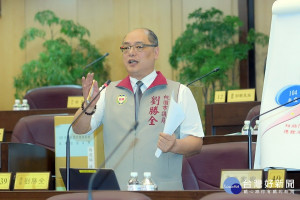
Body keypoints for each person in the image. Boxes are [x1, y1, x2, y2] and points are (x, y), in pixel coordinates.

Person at [72, 28, 204, 190]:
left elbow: (196, 142)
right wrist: (88, 106)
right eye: (126, 48)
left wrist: (175, 145)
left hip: (164, 192)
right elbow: (79, 129)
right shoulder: (107, 92)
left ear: (156, 52)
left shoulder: (179, 92)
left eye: (139, 47)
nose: (131, 53)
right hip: (118, 192)